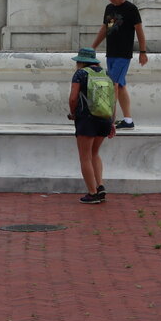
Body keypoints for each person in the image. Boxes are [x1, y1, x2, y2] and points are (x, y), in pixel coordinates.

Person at [92, 0, 148, 128]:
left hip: (123, 54)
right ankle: (128, 120)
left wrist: (143, 52)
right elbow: (105, 29)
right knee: (120, 85)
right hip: (111, 53)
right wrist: (93, 47)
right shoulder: (109, 8)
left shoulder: (131, 9)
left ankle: (109, 119)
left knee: (112, 84)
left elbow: (139, 32)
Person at [66, 47, 113, 204]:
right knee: (95, 153)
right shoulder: (106, 73)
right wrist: (112, 121)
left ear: (81, 61)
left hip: (87, 118)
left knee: (85, 156)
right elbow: (113, 98)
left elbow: (73, 98)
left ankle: (92, 193)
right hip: (105, 118)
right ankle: (100, 186)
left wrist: (73, 113)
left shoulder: (80, 74)